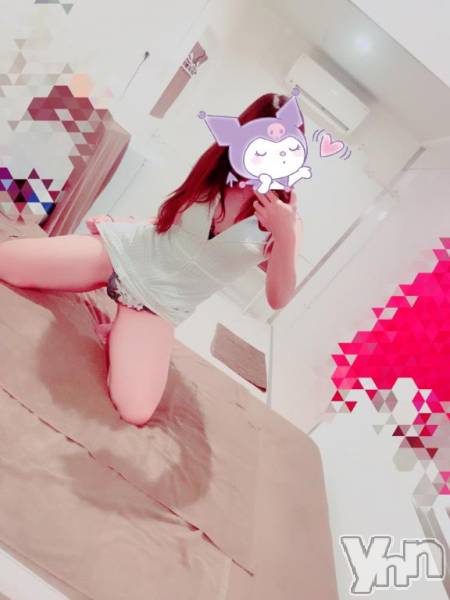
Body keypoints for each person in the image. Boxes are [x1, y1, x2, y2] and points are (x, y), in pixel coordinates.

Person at [0, 92, 303, 427]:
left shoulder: (285, 221)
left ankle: (120, 331)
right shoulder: (215, 173)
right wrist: (119, 223)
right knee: (7, 262)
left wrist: (285, 235)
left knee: (135, 409)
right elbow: (171, 223)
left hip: (159, 304)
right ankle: (119, 319)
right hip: (127, 252)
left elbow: (278, 298)